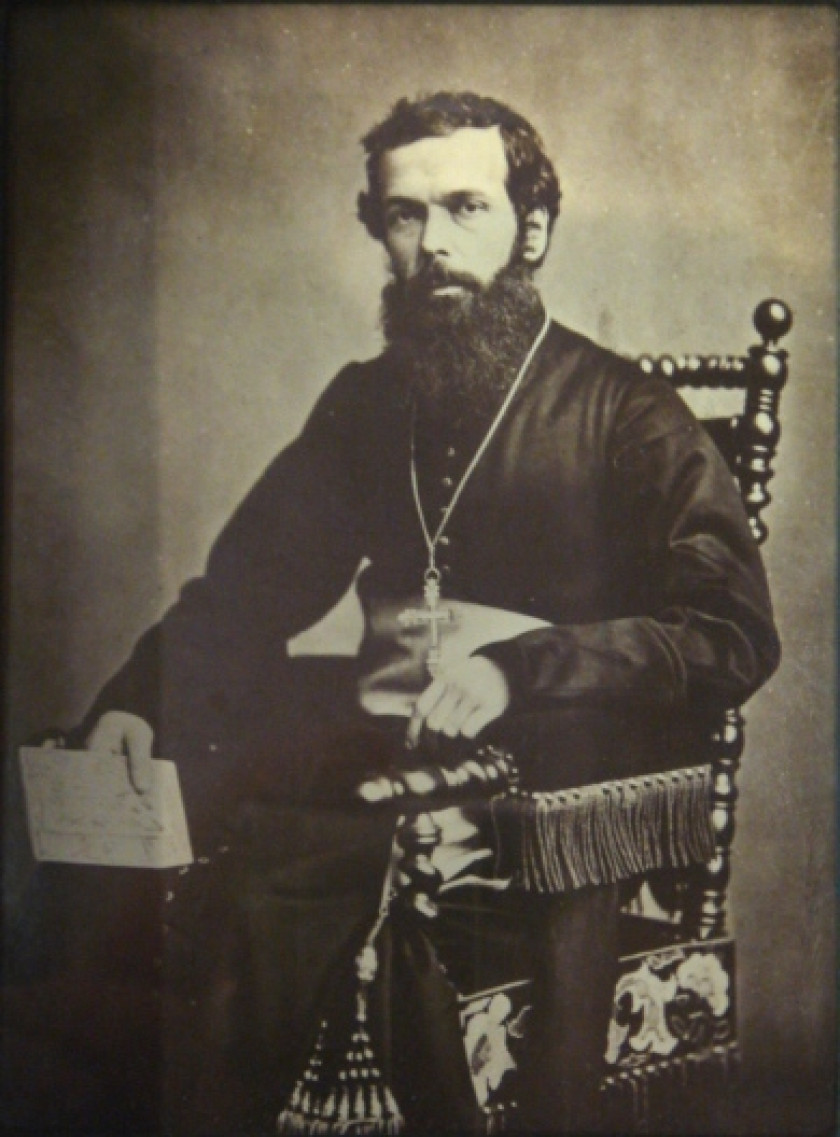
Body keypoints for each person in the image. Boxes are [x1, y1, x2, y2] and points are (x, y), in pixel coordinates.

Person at [60, 92, 778, 1134]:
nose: (435, 243)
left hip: (549, 796)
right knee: (195, 832)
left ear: (532, 228)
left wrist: (519, 670)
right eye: (406, 216)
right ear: (381, 233)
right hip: (379, 772)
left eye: (467, 209)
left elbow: (734, 634)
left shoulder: (628, 413)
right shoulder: (367, 401)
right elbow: (246, 595)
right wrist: (138, 698)